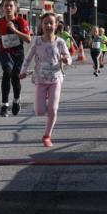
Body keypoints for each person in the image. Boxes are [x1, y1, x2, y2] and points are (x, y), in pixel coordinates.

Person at [21, 12, 72, 147]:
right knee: (39, 111)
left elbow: (69, 58)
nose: (48, 25)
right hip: (41, 79)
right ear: (41, 26)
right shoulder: (37, 41)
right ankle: (45, 100)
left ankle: (47, 136)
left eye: (51, 23)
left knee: (53, 109)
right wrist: (23, 71)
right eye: (46, 23)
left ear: (56, 25)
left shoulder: (60, 42)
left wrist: (66, 59)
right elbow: (28, 58)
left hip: (55, 79)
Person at [0, 0, 31, 117]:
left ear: (15, 8)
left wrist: (14, 30)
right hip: (5, 52)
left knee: (15, 78)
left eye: (10, 5)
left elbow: (28, 39)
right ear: (2, 8)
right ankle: (4, 105)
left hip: (18, 54)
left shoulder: (21, 22)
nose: (8, 8)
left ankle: (16, 100)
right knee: (7, 73)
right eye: (5, 6)